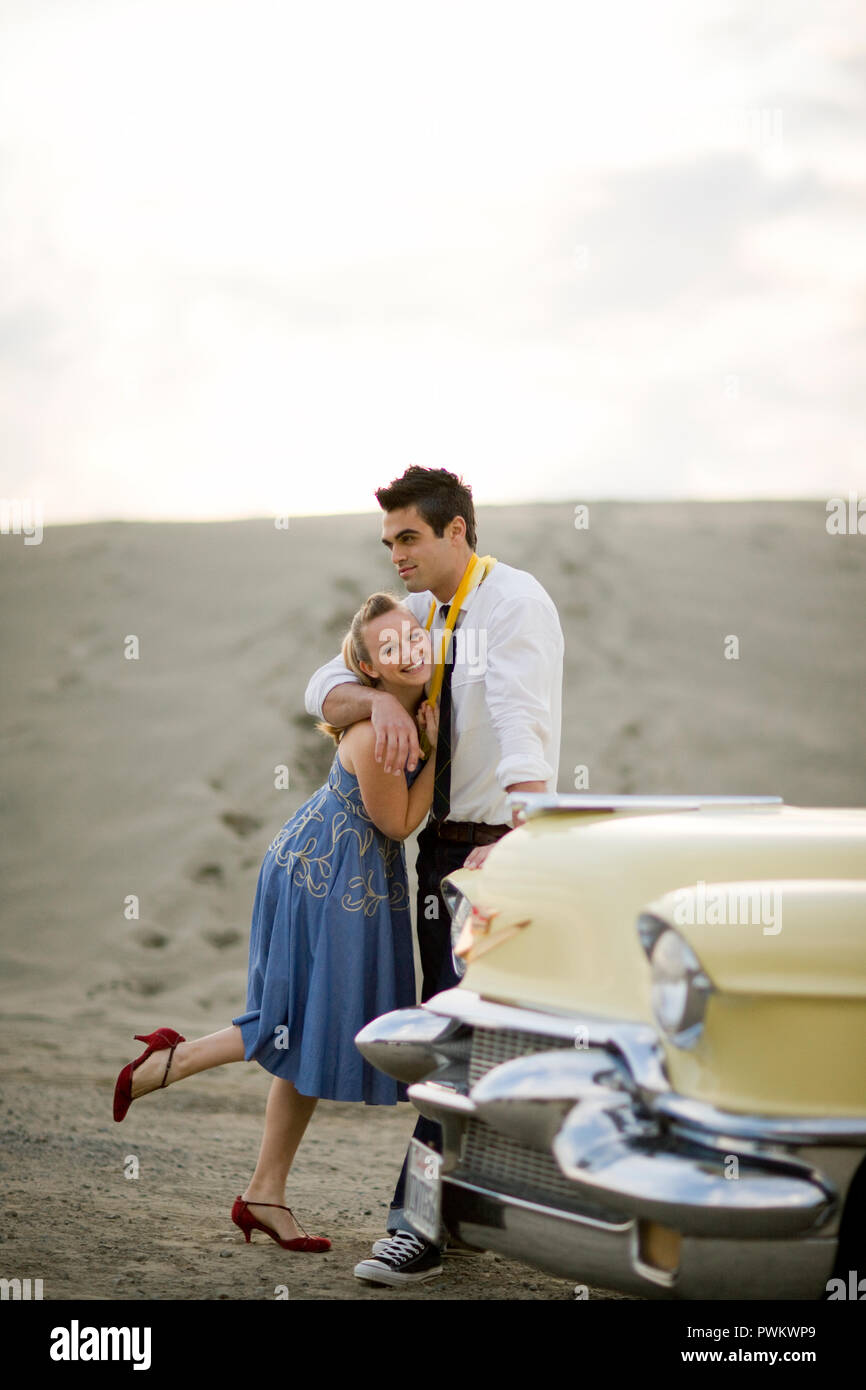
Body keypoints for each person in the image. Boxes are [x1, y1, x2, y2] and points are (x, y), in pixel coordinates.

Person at [112, 592, 439, 1254]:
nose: (408, 650)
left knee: (302, 1023)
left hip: (343, 876)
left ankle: (262, 1190)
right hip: (324, 879)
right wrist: (438, 747)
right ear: (369, 670)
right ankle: (169, 1063)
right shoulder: (378, 730)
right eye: (388, 649)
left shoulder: (401, 705)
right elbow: (401, 822)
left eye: (413, 636)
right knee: (299, 1021)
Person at [304, 466, 564, 1285]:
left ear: (458, 530)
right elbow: (322, 680)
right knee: (451, 1035)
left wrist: (521, 833)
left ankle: (417, 1228)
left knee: (462, 1039)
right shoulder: (416, 614)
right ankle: (462, 1215)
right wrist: (375, 703)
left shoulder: (514, 602)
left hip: (498, 849)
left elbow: (522, 720)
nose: (397, 557)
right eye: (388, 543)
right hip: (437, 853)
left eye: (409, 538)